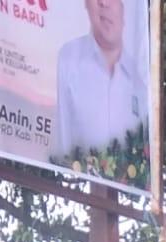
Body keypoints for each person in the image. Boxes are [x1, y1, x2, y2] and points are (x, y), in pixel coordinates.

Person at [53, 0, 151, 165]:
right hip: (73, 179)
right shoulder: (69, 58)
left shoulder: (140, 80)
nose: (104, 3)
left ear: (124, 8)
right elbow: (62, 145)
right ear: (86, 4)